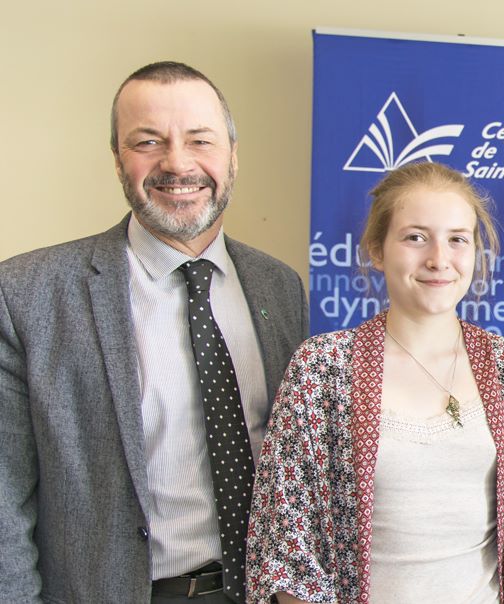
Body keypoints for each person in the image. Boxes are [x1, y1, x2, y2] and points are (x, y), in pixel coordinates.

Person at [0, 61, 308, 603]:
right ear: (118, 158)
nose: (177, 162)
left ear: (233, 155)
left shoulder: (279, 286)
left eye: (199, 140)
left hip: (271, 593)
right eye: (148, 141)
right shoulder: (27, 293)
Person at [245, 161, 504, 604]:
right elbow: (290, 547)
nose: (438, 259)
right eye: (415, 237)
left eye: (457, 240)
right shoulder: (323, 369)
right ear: (376, 249)